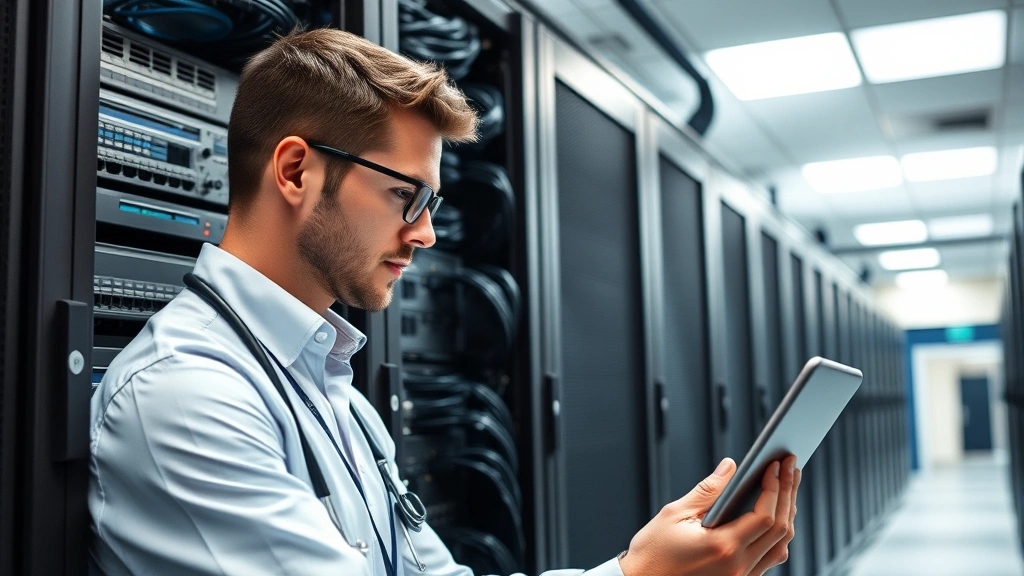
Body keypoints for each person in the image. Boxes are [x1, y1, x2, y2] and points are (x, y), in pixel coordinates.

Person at [88, 28, 801, 576]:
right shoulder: (187, 397)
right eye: (407, 195)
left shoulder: (336, 394)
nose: (426, 233)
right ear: (296, 170)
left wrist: (631, 570)